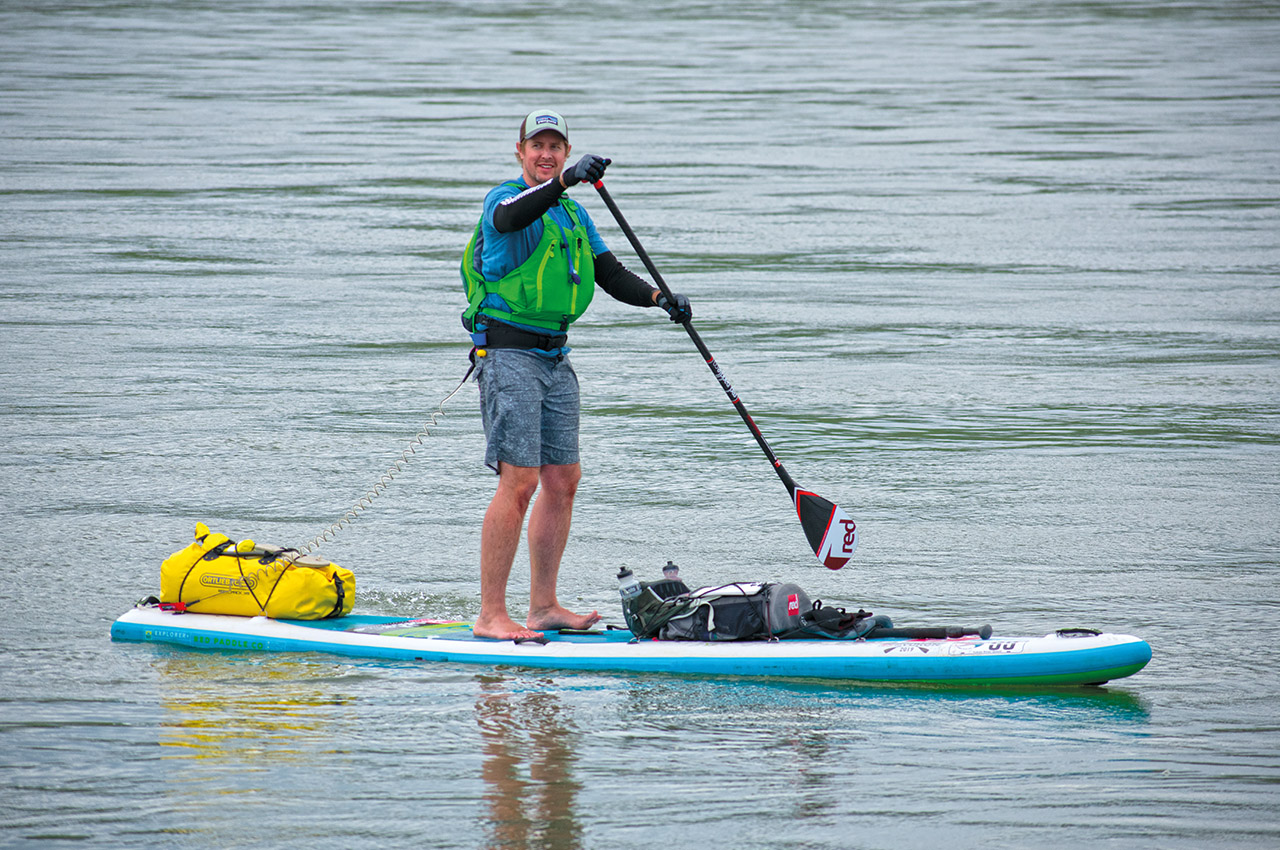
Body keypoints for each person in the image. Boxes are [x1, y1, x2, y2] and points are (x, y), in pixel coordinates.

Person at [461, 109, 692, 641]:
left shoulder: (574, 214)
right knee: (518, 482)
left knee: (562, 481)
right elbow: (511, 220)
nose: (546, 154)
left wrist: (658, 298)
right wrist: (564, 181)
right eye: (537, 145)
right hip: (509, 356)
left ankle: (543, 607)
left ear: (566, 151)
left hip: (556, 358)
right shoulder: (504, 200)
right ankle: (491, 615)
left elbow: (608, 273)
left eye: (556, 147)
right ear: (520, 152)